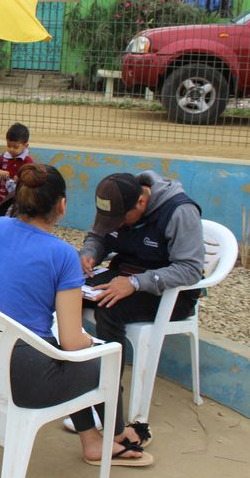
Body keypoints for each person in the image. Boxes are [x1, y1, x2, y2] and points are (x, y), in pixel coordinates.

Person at [0, 164, 153, 467]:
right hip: (22, 378)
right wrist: (91, 344)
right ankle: (118, 434)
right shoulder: (63, 255)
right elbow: (71, 342)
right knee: (102, 359)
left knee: (61, 354)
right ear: (62, 205)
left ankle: (93, 440)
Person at [79, 171, 204, 429]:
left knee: (109, 309)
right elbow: (98, 236)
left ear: (141, 203)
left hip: (170, 293)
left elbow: (190, 269)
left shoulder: (180, 212)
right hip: (123, 275)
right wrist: (89, 254)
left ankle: (107, 404)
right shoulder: (118, 198)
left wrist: (136, 283)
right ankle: (71, 386)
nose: (116, 225)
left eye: (120, 220)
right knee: (68, 292)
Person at [0, 122, 34, 204]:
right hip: (2, 198)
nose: (11, 149)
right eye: (9, 146)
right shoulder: (4, 157)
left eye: (15, 147)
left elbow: (31, 177)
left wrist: (21, 178)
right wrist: (1, 172)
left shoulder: (27, 161)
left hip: (19, 199)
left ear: (25, 146)